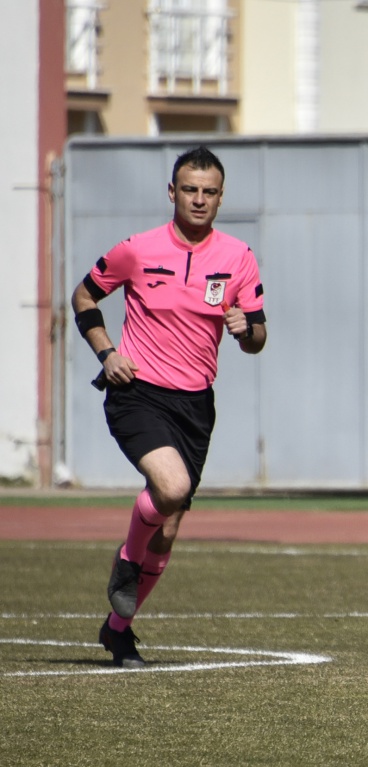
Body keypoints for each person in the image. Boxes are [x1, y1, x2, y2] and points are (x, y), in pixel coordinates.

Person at [70, 146, 267, 668]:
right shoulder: (137, 249)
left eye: (209, 191)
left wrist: (248, 331)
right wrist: (107, 352)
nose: (198, 199)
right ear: (172, 192)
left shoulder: (239, 257)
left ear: (221, 198)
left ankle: (118, 631)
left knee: (172, 524)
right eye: (189, 189)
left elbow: (259, 335)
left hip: (196, 405)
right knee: (172, 488)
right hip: (137, 392)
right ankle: (128, 562)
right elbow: (84, 297)